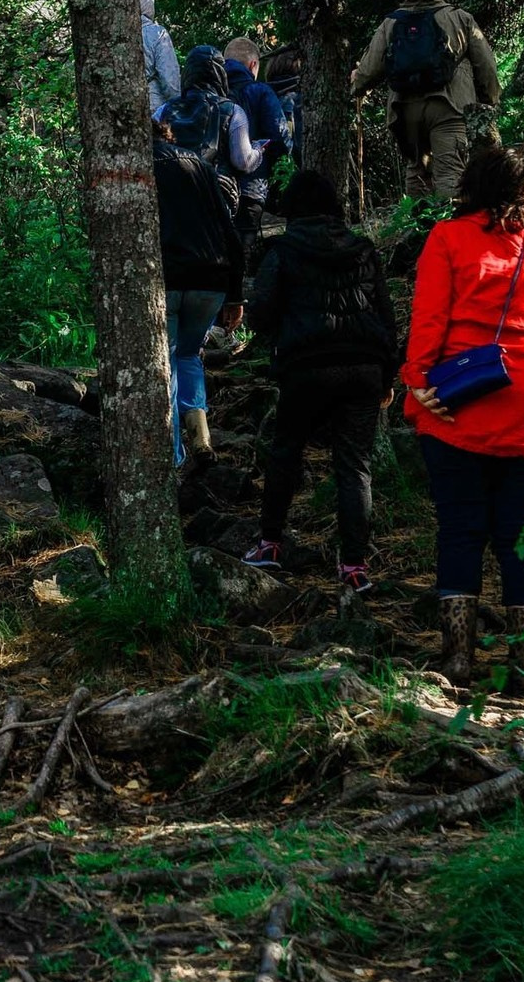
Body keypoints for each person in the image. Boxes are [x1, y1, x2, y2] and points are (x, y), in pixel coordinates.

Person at [403, 144, 524, 688]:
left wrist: (417, 384)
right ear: (522, 193)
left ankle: (457, 659)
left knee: (461, 531)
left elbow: (429, 318)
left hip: (461, 403)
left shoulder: (447, 238)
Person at [241, 169, 401, 595]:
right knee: (354, 467)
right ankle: (354, 568)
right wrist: (388, 373)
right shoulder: (363, 249)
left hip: (306, 367)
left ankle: (270, 543)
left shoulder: (284, 249)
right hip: (364, 368)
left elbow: (259, 313)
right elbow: (386, 317)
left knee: (286, 451)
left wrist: (281, 337)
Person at [349, 0, 502, 206]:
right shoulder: (460, 18)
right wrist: (491, 100)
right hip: (449, 108)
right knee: (451, 174)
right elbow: (486, 66)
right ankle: (451, 232)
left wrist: (356, 86)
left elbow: (369, 69)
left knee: (417, 171)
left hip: (405, 110)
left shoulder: (390, 22)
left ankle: (415, 233)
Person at [154, 122, 244, 470]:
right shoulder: (201, 167)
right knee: (189, 355)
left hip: (169, 277)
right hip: (212, 278)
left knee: (169, 358)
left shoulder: (139, 169)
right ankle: (202, 438)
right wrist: (235, 296)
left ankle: (174, 456)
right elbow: (229, 232)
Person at [222, 36, 288, 257]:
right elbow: (279, 137)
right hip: (252, 187)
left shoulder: (212, 92)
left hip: (216, 185)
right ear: (253, 65)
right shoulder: (261, 91)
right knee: (242, 251)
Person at [160, 46, 264, 182]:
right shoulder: (233, 111)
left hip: (170, 190)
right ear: (221, 74)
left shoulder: (164, 109)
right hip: (215, 193)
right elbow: (243, 161)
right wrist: (258, 150)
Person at [141, 0, 183, 112]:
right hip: (156, 109)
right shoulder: (156, 33)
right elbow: (170, 80)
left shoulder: (114, 35)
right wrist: (179, 106)